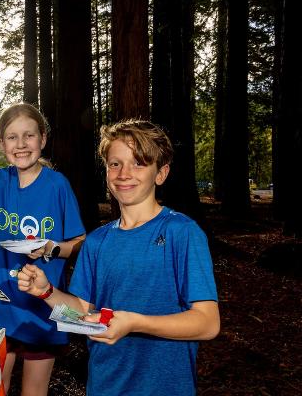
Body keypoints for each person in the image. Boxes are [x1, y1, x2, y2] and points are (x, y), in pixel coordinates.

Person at [17, 119, 220, 395]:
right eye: (115, 164)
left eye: (139, 163)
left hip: (165, 387)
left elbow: (208, 323)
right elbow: (84, 308)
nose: (124, 173)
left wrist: (135, 323)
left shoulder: (181, 233)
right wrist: (47, 292)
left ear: (161, 173)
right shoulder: (97, 241)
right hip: (104, 384)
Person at [0, 103, 86, 396]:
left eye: (29, 135)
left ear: (42, 138)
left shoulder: (57, 185)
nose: (21, 144)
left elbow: (79, 242)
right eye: (12, 137)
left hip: (42, 307)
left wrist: (51, 249)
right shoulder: (1, 180)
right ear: (2, 144)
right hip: (0, 304)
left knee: (34, 391)